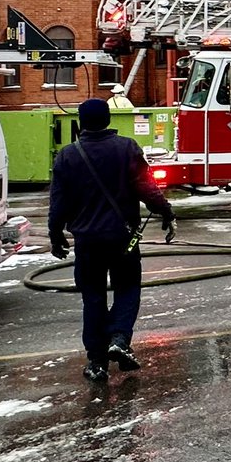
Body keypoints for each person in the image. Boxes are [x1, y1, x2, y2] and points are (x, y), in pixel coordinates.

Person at [48, 98, 176, 382]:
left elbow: (59, 202)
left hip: (87, 242)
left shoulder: (67, 156)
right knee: (128, 288)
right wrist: (165, 211)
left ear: (81, 122)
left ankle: (96, 362)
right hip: (123, 237)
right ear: (108, 120)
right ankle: (119, 337)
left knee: (92, 297)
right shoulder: (127, 148)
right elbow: (147, 187)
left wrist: (56, 236)